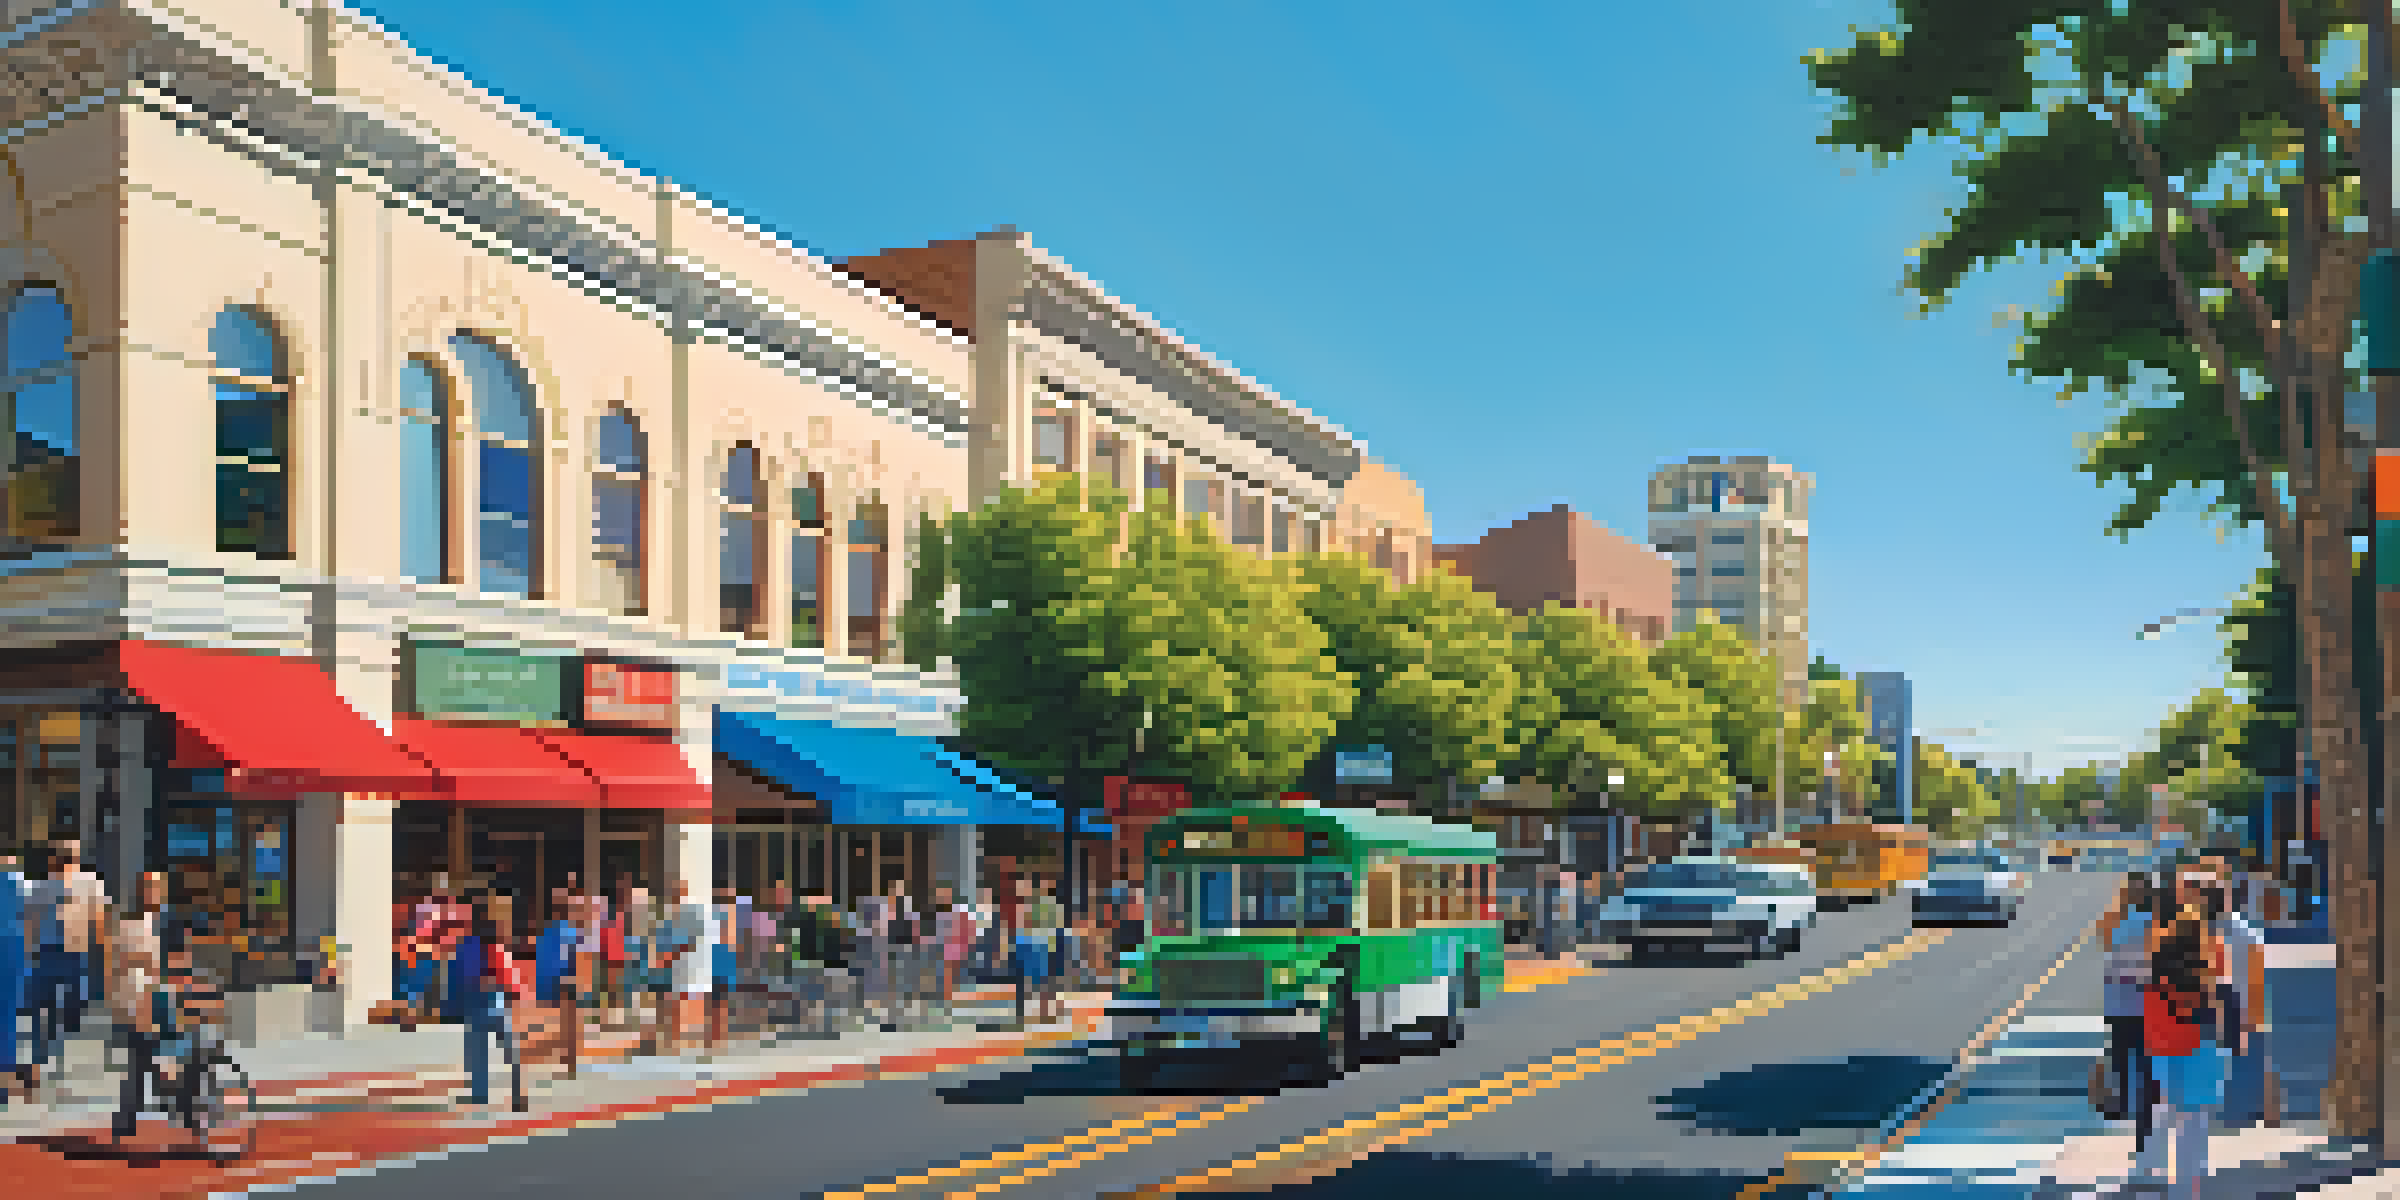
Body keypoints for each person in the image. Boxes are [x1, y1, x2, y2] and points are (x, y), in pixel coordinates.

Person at [2146, 889, 2230, 1197]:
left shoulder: (2158, 960)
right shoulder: (2204, 967)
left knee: (2172, 1109)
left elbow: (2151, 997)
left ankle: (2168, 1173)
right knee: (2195, 1119)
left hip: (2165, 1045)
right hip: (2198, 1045)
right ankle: (2188, 1183)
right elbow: (2213, 1010)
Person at [27, 839, 107, 1085]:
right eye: (61, 855)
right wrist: (30, 950)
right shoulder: (41, 886)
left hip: (76, 953)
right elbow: (32, 919)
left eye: (70, 856)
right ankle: (39, 1060)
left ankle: (53, 1048)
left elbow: (99, 919)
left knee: (73, 1008)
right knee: (41, 1008)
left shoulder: (90, 883)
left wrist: (100, 951)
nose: (65, 860)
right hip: (47, 953)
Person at [2098, 873, 2158, 1167]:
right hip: (2146, 1008)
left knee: (2125, 1068)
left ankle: (2127, 1115)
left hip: (2121, 1007)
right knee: (2147, 1074)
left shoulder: (2115, 922)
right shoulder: (2156, 924)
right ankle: (2144, 1138)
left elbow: (2104, 944)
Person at [453, 889, 529, 1112]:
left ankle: (480, 1095)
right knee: (509, 1050)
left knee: (478, 1053)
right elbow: (510, 981)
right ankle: (517, 1096)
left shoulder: (468, 946)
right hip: (495, 1004)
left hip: (479, 1006)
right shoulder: (496, 947)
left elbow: (460, 979)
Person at [109, 872, 168, 1140]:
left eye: (158, 889)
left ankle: (127, 1118)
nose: (156, 894)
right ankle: (128, 1118)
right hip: (137, 999)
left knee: (143, 1060)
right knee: (145, 1059)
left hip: (142, 998)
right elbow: (133, 965)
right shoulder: (135, 925)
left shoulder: (150, 923)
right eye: (152, 889)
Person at [535, 885, 581, 1078]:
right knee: (565, 1022)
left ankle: (569, 1060)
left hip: (564, 979)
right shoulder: (556, 930)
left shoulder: (563, 930)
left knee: (567, 1021)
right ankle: (567, 1059)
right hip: (560, 978)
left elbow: (573, 956)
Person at [0, 853, 26, 1099]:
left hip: (11, 950)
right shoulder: (19, 883)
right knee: (8, 1018)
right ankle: (4, 1083)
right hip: (14, 950)